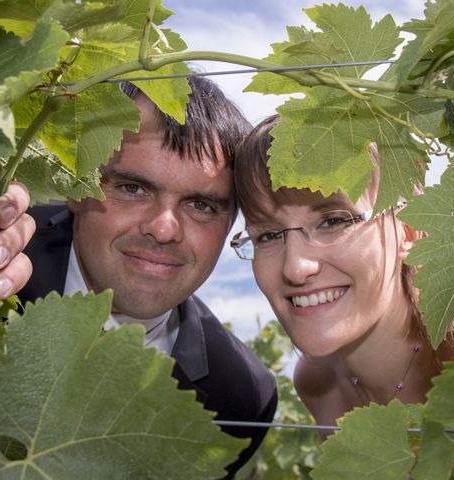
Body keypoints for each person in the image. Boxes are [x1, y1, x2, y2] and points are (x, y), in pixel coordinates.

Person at [17, 78, 277, 477]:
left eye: (202, 205)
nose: (163, 228)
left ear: (230, 227)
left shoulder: (240, 397)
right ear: (76, 186)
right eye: (134, 188)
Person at [231, 115, 454, 438]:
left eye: (334, 221)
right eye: (267, 235)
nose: (295, 267)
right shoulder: (319, 387)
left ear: (408, 232)